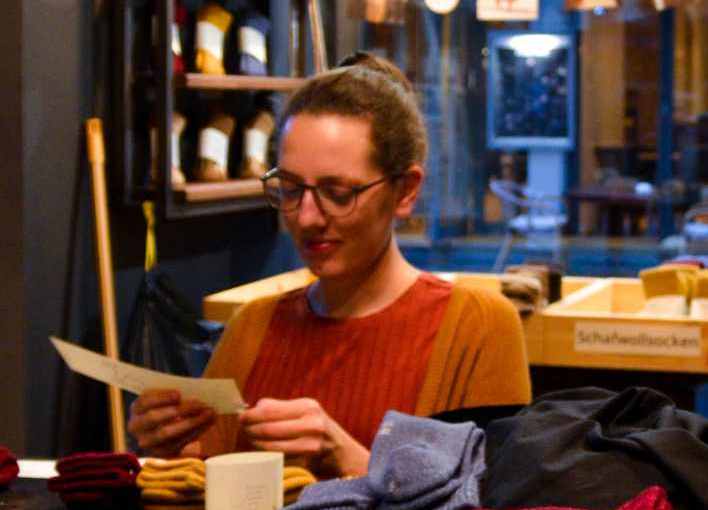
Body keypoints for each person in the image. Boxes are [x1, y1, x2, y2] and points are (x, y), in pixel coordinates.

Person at [128, 53, 531, 477]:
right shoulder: (253, 327)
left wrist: (346, 458)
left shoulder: (475, 328)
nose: (306, 218)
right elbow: (212, 484)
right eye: (289, 188)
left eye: (338, 193)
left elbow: (492, 504)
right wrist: (173, 452)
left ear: (405, 192)